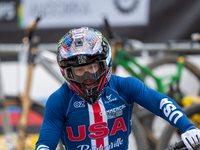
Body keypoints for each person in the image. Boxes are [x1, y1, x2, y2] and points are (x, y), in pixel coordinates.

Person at [35, 27, 200, 150]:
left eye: (92, 68)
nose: (87, 78)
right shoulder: (58, 100)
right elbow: (45, 143)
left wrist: (188, 127)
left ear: (104, 64)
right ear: (67, 72)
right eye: (79, 71)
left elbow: (160, 102)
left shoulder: (125, 86)